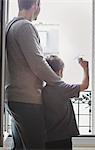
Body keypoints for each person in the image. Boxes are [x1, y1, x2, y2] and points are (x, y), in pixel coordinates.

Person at [6, 0, 62, 149]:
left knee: (19, 147)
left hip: (14, 98)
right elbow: (38, 63)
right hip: (27, 101)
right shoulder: (25, 26)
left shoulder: (9, 26)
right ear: (36, 5)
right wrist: (60, 84)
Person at [42, 55, 89, 150]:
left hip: (47, 137)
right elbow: (85, 85)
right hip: (63, 137)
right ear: (60, 71)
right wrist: (85, 68)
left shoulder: (42, 90)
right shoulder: (62, 88)